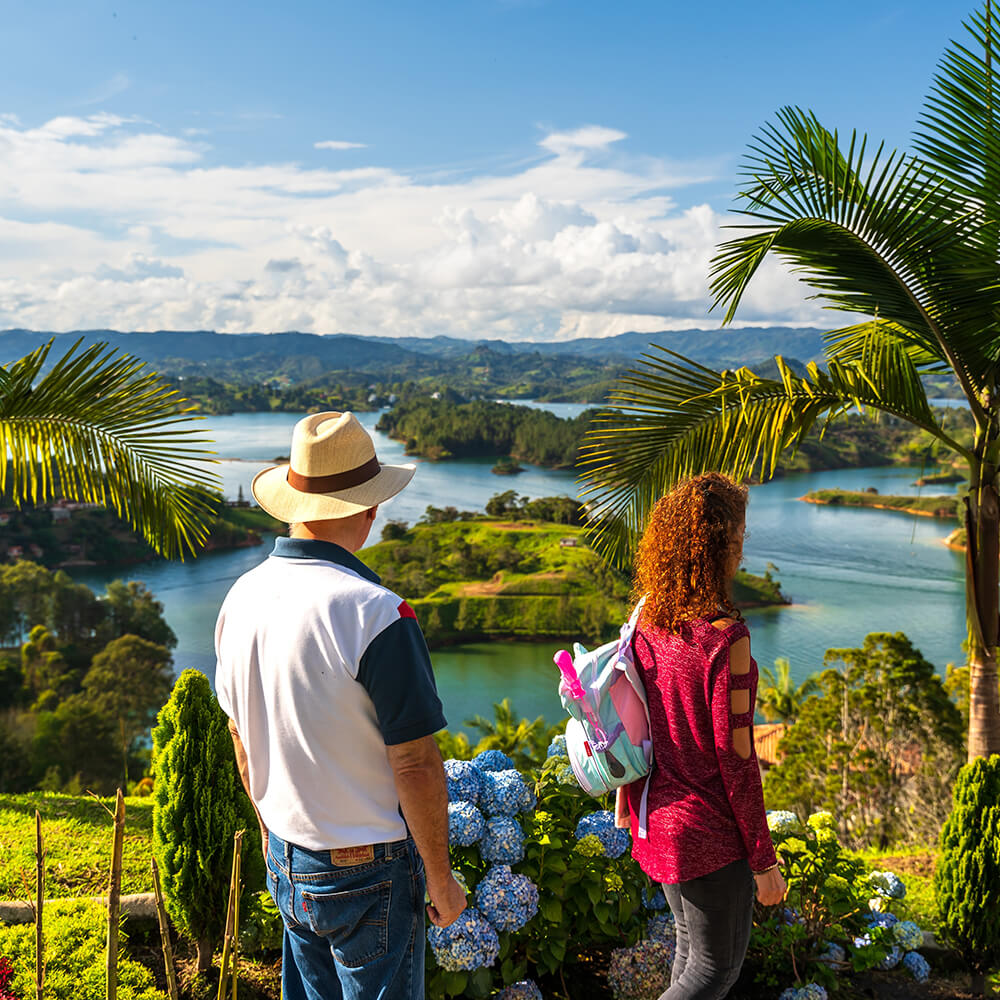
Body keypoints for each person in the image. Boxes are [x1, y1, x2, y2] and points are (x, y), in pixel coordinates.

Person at [214, 411, 467, 1000]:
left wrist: (272, 834)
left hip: (287, 858)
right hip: (369, 874)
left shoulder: (240, 598)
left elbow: (240, 739)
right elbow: (415, 764)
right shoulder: (376, 613)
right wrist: (442, 878)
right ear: (370, 508)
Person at [616, 472, 786, 1000]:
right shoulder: (724, 638)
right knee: (714, 972)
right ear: (722, 544)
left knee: (690, 957)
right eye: (739, 535)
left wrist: (630, 801)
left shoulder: (649, 616)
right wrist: (764, 861)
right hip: (709, 833)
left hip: (659, 820)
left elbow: (642, 718)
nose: (743, 547)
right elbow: (736, 761)